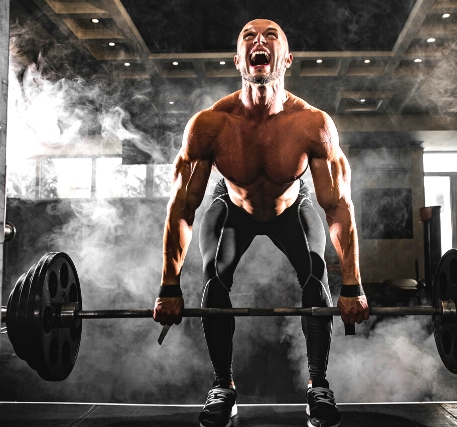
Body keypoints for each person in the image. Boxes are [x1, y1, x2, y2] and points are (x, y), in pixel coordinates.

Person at [153, 18, 369, 427]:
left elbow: (339, 208)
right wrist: (168, 286)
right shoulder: (209, 125)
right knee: (214, 279)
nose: (259, 41)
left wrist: (353, 286)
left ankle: (318, 384)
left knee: (316, 277)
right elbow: (181, 208)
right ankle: (223, 387)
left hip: (293, 205)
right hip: (232, 206)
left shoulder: (313, 125)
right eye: (249, 37)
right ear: (238, 59)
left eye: (271, 36)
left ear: (286, 58)